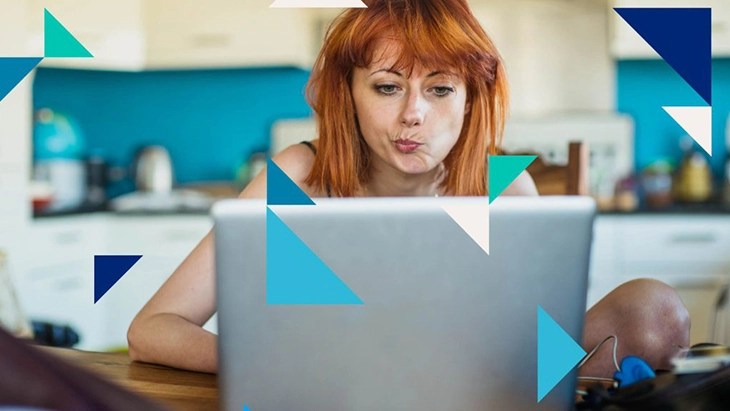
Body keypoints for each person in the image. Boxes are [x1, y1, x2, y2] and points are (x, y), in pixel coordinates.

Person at [127, 0, 689, 378]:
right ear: (346, 94)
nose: (413, 115)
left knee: (654, 312)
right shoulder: (297, 177)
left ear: (472, 98)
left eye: (440, 89)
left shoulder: (505, 189)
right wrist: (280, 361)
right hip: (325, 391)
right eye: (388, 87)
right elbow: (152, 329)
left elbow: (536, 354)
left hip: (464, 385)